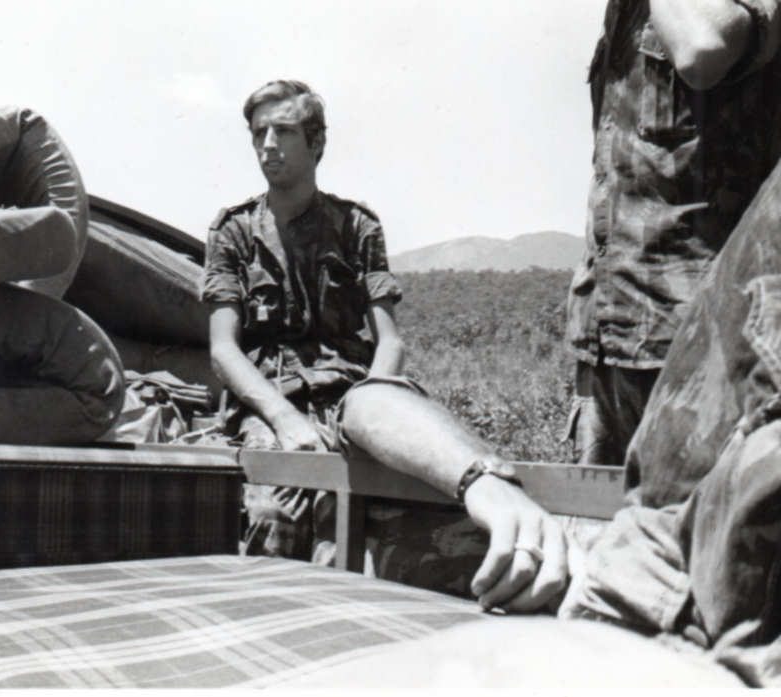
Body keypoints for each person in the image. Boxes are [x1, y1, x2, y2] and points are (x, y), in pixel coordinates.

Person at [201, 80, 567, 612]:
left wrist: (375, 406)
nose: (268, 145)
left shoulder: (355, 226)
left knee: (425, 493)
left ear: (316, 142)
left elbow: (388, 340)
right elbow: (223, 350)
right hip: (272, 398)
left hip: (352, 392)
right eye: (259, 133)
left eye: (283, 131)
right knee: (273, 514)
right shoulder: (233, 232)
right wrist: (285, 420)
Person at [564, 0, 781, 465]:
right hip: (608, 340)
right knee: (595, 512)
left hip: (703, 348)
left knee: (700, 510)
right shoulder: (628, 13)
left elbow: (702, 49)